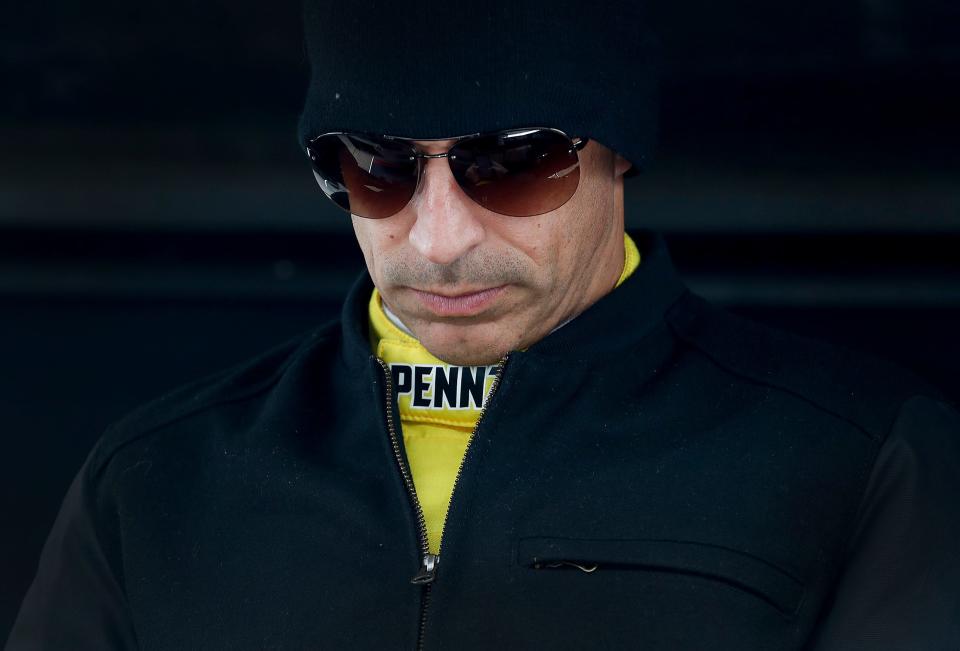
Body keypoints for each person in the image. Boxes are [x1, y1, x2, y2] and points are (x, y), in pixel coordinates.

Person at [7, 1, 960, 649]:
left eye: (510, 161)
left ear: (617, 151)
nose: (440, 235)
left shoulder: (866, 463)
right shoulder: (154, 477)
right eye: (377, 168)